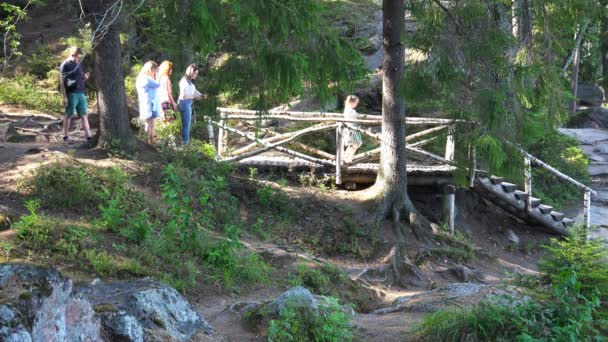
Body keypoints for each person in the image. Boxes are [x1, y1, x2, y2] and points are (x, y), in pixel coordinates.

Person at [59, 47, 92, 143]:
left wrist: (85, 78)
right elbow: (62, 82)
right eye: (74, 55)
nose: (75, 57)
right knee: (69, 114)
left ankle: (89, 136)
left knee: (84, 115)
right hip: (71, 93)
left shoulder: (79, 64)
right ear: (71, 54)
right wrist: (64, 96)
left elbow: (80, 79)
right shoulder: (65, 65)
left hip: (81, 93)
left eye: (77, 55)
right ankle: (65, 136)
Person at [178, 64, 204, 146]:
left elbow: (195, 90)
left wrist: (201, 95)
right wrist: (195, 96)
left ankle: (185, 144)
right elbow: (184, 95)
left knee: (188, 125)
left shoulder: (190, 82)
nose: (196, 75)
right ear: (191, 72)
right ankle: (185, 146)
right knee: (186, 125)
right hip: (184, 103)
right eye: (195, 73)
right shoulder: (184, 81)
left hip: (188, 103)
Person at [136, 61, 161, 144]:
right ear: (150, 69)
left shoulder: (145, 77)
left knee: (152, 124)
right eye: (154, 70)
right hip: (148, 103)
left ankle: (152, 141)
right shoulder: (144, 78)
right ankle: (147, 142)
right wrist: (157, 75)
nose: (154, 72)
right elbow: (158, 84)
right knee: (148, 123)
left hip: (151, 103)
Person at [342, 95, 363, 163]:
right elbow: (353, 117)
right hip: (351, 128)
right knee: (355, 143)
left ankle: (346, 158)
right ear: (351, 102)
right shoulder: (350, 110)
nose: (356, 104)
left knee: (354, 144)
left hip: (352, 128)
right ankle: (346, 159)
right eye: (356, 103)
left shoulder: (347, 109)